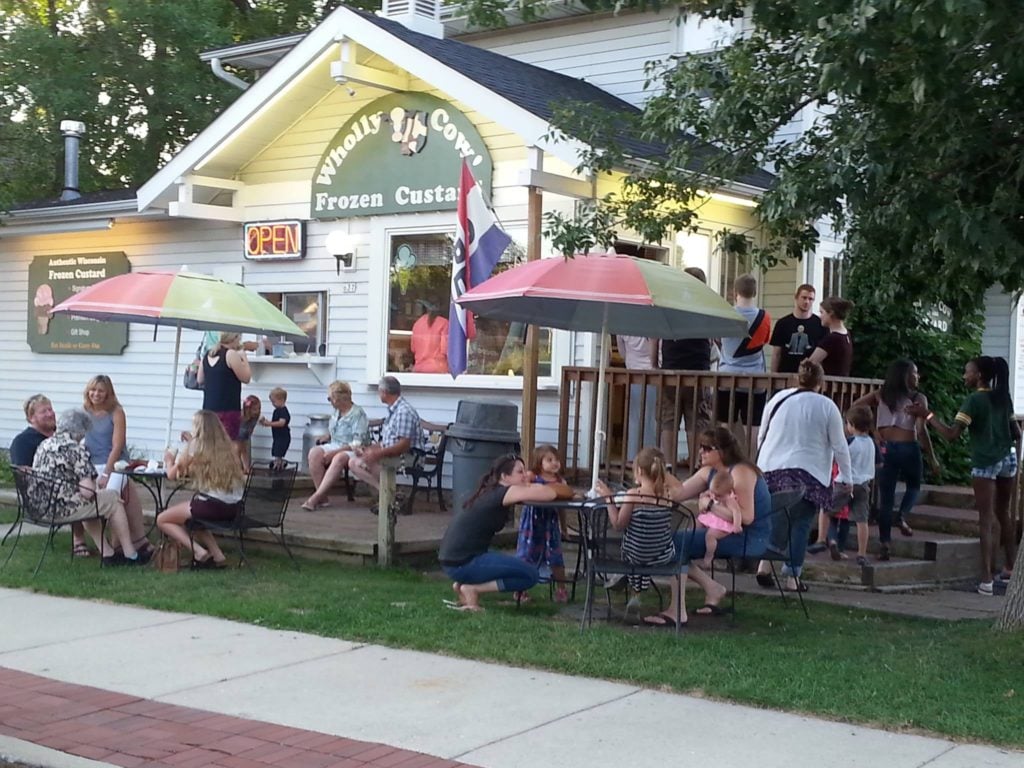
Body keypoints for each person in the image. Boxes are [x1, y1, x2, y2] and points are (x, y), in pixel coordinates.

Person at [911, 356, 1019, 595]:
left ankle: (986, 580)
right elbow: (1017, 433)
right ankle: (1011, 569)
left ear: (979, 375)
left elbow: (951, 434)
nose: (964, 376)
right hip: (1008, 459)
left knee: (986, 519)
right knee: (1004, 514)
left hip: (985, 461)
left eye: (967, 372)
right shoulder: (1003, 397)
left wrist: (927, 415)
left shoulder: (974, 400)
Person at [648, 427, 773, 626]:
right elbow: (678, 493)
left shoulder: (740, 472)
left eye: (707, 448)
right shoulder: (709, 472)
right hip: (722, 533)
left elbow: (747, 518)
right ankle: (712, 588)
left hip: (747, 537)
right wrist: (656, 475)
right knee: (672, 541)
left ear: (722, 451)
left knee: (676, 543)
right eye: (700, 447)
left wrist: (710, 506)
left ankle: (677, 611)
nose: (700, 452)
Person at [754, 360, 852, 592]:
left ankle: (764, 567)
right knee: (800, 524)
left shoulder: (777, 399)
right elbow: (839, 446)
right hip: (810, 473)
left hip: (772, 469)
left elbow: (762, 435)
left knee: (775, 518)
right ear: (820, 382)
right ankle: (792, 577)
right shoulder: (827, 406)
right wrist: (846, 476)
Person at [440, 454, 572, 611]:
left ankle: (462, 584)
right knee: (530, 575)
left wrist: (534, 485)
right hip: (463, 563)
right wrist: (554, 487)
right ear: (505, 476)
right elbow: (548, 494)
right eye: (520, 472)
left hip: (454, 559)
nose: (526, 476)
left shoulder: (492, 491)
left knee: (514, 565)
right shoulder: (506, 491)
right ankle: (472, 588)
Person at [31, 409, 145, 566]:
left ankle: (108, 553)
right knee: (112, 499)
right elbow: (87, 492)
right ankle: (130, 553)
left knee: (94, 505)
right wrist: (97, 487)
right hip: (62, 509)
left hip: (40, 507)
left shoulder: (44, 445)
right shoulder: (75, 449)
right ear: (80, 431)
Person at [851, 359, 940, 558]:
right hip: (908, 446)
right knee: (914, 486)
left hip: (885, 448)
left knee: (886, 498)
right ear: (905, 376)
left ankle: (885, 543)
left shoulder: (881, 395)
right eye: (914, 373)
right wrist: (932, 458)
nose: (918, 376)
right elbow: (920, 429)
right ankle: (901, 516)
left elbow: (856, 406)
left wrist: (873, 430)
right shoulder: (918, 398)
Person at [157, 410, 246, 569]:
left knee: (162, 519)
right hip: (234, 508)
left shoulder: (195, 445)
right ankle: (218, 556)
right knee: (193, 518)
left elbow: (172, 475)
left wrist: (170, 460)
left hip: (212, 506)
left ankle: (199, 552)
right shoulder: (228, 447)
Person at [596, 447, 678, 619]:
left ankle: (629, 584)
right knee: (649, 546)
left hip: (635, 556)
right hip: (662, 556)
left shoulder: (634, 495)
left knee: (635, 549)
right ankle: (636, 594)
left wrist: (609, 499)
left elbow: (619, 525)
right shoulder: (668, 494)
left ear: (639, 471)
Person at [11, 394, 90, 558]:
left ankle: (112, 546)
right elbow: (22, 473)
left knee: (88, 487)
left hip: (66, 490)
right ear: (31, 418)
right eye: (43, 411)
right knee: (87, 493)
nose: (50, 414)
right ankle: (81, 541)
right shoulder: (23, 441)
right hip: (42, 499)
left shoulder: (62, 437)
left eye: (51, 409)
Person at [82, 375, 151, 559]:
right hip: (91, 464)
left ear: (108, 393)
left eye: (101, 391)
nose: (96, 394)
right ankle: (113, 545)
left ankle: (120, 546)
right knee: (89, 499)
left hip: (116, 464)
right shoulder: (84, 411)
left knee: (109, 498)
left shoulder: (116, 412)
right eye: (93, 390)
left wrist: (106, 473)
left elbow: (117, 446)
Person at [659, 266, 713, 471]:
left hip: (671, 366)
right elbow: (715, 337)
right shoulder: (707, 306)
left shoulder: (671, 304)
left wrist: (656, 362)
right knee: (697, 419)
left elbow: (660, 332)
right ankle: (696, 464)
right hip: (698, 369)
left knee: (669, 418)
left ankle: (669, 464)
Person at [349, 376, 423, 513]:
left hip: (409, 456)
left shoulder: (403, 412)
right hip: (396, 453)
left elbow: (403, 445)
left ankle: (388, 498)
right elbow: (389, 441)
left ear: (384, 392)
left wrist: (376, 454)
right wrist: (369, 449)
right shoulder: (394, 410)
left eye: (379, 391)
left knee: (360, 463)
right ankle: (390, 496)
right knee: (356, 461)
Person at [716, 274, 772, 445]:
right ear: (754, 292)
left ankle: (724, 461)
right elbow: (765, 341)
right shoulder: (765, 317)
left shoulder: (724, 315)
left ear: (735, 292)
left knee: (725, 423)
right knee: (753, 426)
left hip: (727, 377)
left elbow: (718, 340)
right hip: (755, 379)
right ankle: (753, 462)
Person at [515, 445, 573, 603]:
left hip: (550, 523)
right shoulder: (532, 476)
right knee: (526, 555)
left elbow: (562, 508)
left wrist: (564, 527)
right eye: (549, 460)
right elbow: (520, 487)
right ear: (539, 462)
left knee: (555, 557)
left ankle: (561, 589)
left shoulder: (561, 482)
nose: (555, 463)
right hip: (532, 522)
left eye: (557, 459)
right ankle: (521, 589)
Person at [303, 380, 369, 510]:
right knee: (314, 453)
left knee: (339, 458)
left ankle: (315, 498)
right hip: (336, 444)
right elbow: (336, 431)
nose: (329, 401)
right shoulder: (337, 412)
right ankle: (323, 498)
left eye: (330, 398)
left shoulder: (357, 414)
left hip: (354, 449)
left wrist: (334, 453)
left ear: (340, 399)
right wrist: (328, 436)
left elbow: (357, 443)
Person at [826, 406, 877, 566]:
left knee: (827, 512)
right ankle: (861, 554)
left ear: (852, 425)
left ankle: (829, 540)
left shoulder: (848, 442)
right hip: (864, 484)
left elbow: (836, 457)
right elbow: (880, 462)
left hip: (844, 483)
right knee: (862, 520)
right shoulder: (871, 443)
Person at [197, 331, 252, 464]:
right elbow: (246, 378)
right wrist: (244, 359)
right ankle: (228, 476)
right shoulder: (231, 355)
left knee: (210, 445)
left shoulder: (208, 355)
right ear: (235, 338)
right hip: (228, 409)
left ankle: (211, 475)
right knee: (229, 445)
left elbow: (200, 380)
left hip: (208, 409)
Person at [616, 334, 657, 459]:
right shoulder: (651, 324)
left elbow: (622, 352)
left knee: (634, 418)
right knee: (650, 418)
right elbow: (654, 351)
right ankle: (649, 457)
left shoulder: (622, 327)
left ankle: (632, 456)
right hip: (652, 374)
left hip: (633, 373)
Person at [770, 284, 826, 374]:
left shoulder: (820, 324)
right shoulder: (783, 323)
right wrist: (773, 376)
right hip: (786, 374)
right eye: (804, 298)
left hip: (810, 376)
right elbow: (776, 354)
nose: (807, 302)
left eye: (810, 299)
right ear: (796, 298)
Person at [696, 470, 742, 570]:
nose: (715, 497)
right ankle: (694, 547)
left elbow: (737, 512)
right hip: (713, 517)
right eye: (714, 494)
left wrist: (737, 525)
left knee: (710, 535)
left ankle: (708, 558)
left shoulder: (730, 499)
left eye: (719, 496)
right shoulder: (716, 492)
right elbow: (708, 493)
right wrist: (705, 494)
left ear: (729, 492)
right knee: (697, 523)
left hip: (723, 523)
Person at [808, 297, 854, 376]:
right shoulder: (846, 334)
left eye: (822, 312)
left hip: (829, 385)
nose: (820, 316)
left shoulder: (832, 339)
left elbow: (810, 364)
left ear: (831, 313)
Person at [410, 300, 449, 373]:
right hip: (438, 368)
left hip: (419, 367)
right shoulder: (444, 323)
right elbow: (445, 349)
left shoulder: (417, 324)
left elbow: (413, 349)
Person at [260, 387, 291, 471]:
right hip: (277, 437)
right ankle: (279, 465)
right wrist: (266, 422)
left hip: (283, 437)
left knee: (278, 452)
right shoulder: (277, 410)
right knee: (276, 452)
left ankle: (278, 466)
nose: (272, 404)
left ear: (282, 400)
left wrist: (269, 424)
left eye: (274, 401)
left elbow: (281, 423)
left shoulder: (283, 411)